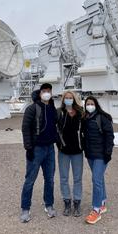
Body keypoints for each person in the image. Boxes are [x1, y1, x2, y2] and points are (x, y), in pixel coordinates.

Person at [20, 83, 58, 223]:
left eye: (49, 91)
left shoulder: (52, 108)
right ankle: (25, 208)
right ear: (40, 92)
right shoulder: (32, 108)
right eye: (44, 91)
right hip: (36, 149)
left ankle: (49, 204)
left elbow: (56, 126)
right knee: (30, 180)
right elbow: (25, 128)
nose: (47, 93)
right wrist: (28, 148)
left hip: (50, 149)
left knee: (50, 179)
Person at [82, 96, 114, 225]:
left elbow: (110, 136)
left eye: (92, 104)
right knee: (99, 178)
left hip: (101, 155)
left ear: (96, 105)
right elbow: (83, 135)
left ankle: (96, 210)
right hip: (90, 154)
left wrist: (108, 153)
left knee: (96, 179)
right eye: (88, 104)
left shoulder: (103, 118)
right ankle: (103, 203)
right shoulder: (85, 118)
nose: (90, 106)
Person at [57, 90, 84, 217]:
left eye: (70, 97)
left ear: (74, 99)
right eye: (66, 98)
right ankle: (67, 202)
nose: (68, 99)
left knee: (77, 178)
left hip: (77, 151)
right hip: (64, 151)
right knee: (64, 178)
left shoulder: (80, 112)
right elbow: (55, 129)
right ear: (63, 100)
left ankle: (77, 202)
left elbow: (85, 130)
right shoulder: (59, 112)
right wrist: (59, 144)